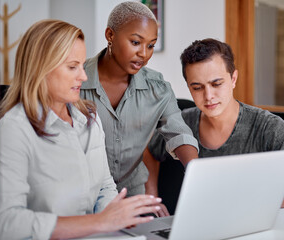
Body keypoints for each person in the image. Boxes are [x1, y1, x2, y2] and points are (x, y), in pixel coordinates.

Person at [0, 19, 162, 239]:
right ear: (40, 68)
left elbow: (104, 187)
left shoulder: (89, 118)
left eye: (82, 66)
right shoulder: (14, 130)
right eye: (72, 67)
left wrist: (119, 220)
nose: (83, 77)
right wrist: (98, 222)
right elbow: (6, 223)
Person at [146, 38, 284, 214]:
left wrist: (244, 201)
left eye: (216, 84)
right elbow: (149, 150)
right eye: (197, 87)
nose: (208, 96)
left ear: (234, 79)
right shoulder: (182, 123)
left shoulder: (267, 126)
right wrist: (151, 196)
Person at [80, 1, 198, 202]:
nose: (144, 53)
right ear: (110, 35)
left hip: (133, 196)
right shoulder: (76, 81)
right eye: (136, 42)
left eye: (150, 45)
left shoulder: (158, 88)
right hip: (82, 196)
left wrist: (196, 173)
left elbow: (179, 134)